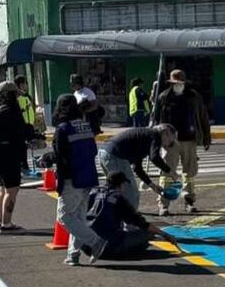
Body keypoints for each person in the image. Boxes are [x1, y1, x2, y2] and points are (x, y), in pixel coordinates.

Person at [52, 94, 107, 266]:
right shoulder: (85, 126)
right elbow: (92, 151)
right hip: (88, 176)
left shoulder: (62, 129)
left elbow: (60, 157)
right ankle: (73, 254)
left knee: (65, 217)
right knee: (79, 216)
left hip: (71, 179)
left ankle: (95, 241)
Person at [153, 69, 211, 215]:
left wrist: (206, 136)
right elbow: (157, 120)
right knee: (166, 173)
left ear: (184, 83)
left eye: (180, 82)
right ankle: (163, 204)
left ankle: (189, 201)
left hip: (189, 139)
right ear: (171, 83)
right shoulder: (163, 97)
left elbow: (203, 116)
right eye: (174, 83)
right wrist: (157, 139)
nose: (177, 85)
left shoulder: (194, 97)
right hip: (169, 141)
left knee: (189, 173)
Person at [87, 172, 179, 259]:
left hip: (87, 247)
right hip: (108, 246)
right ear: (121, 184)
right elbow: (140, 222)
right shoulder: (117, 198)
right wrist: (165, 234)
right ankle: (123, 249)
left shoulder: (93, 192)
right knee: (146, 234)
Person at [98, 125, 176, 209]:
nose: (168, 145)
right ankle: (131, 219)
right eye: (170, 141)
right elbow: (154, 158)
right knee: (132, 194)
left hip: (104, 152)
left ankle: (110, 216)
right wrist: (169, 171)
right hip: (116, 156)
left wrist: (152, 186)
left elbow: (137, 168)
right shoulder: (155, 135)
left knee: (116, 190)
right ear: (164, 133)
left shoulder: (143, 139)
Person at [0, 81, 31, 233]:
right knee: (12, 190)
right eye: (15, 94)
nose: (17, 97)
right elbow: (18, 134)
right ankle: (7, 225)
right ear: (10, 95)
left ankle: (1, 221)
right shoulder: (10, 111)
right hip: (8, 155)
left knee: (3, 189)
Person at [14, 76, 36, 173]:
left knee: (26, 146)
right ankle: (23, 165)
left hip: (28, 123)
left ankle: (24, 165)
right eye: (24, 83)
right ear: (20, 84)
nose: (26, 86)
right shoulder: (17, 96)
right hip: (22, 124)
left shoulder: (26, 95)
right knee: (22, 147)